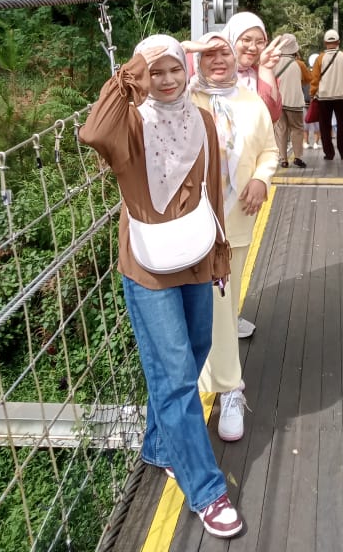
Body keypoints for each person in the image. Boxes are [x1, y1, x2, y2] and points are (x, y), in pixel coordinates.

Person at [78, 35, 243, 539]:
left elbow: (213, 191)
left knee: (195, 350)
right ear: (142, 76)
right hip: (148, 263)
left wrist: (220, 253)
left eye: (175, 69)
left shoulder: (202, 120)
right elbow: (92, 132)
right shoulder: (128, 124)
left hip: (195, 253)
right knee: (175, 377)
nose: (167, 80)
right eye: (156, 72)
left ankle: (158, 446)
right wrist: (136, 67)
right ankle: (207, 490)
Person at [184, 32, 279, 441]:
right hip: (188, 221)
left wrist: (261, 178)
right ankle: (207, 383)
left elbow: (269, 151)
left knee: (223, 303)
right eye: (207, 54)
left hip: (235, 219)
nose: (217, 60)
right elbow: (145, 78)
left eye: (223, 51)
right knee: (194, 307)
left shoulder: (251, 102)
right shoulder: (183, 98)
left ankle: (228, 388)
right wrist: (184, 49)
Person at [221, 11, 284, 123]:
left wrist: (266, 68)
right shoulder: (211, 73)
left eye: (260, 42)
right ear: (231, 39)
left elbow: (272, 115)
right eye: (246, 40)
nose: (253, 48)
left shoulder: (258, 74)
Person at [309, 29, 343, 161]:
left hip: (324, 97)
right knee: (342, 125)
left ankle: (329, 153)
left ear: (325, 43)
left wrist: (312, 93)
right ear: (338, 42)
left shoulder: (320, 58)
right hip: (342, 96)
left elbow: (315, 78)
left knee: (325, 126)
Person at [273, 33, 312, 168]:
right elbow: (308, 79)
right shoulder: (299, 64)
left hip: (278, 102)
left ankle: (283, 159)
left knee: (281, 130)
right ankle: (298, 157)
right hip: (294, 102)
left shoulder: (274, 62)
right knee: (297, 129)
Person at [303, 52, 322, 149]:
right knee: (317, 123)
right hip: (315, 101)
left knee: (305, 124)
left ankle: (306, 142)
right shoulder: (319, 74)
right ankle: (315, 143)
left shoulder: (305, 73)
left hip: (304, 101)